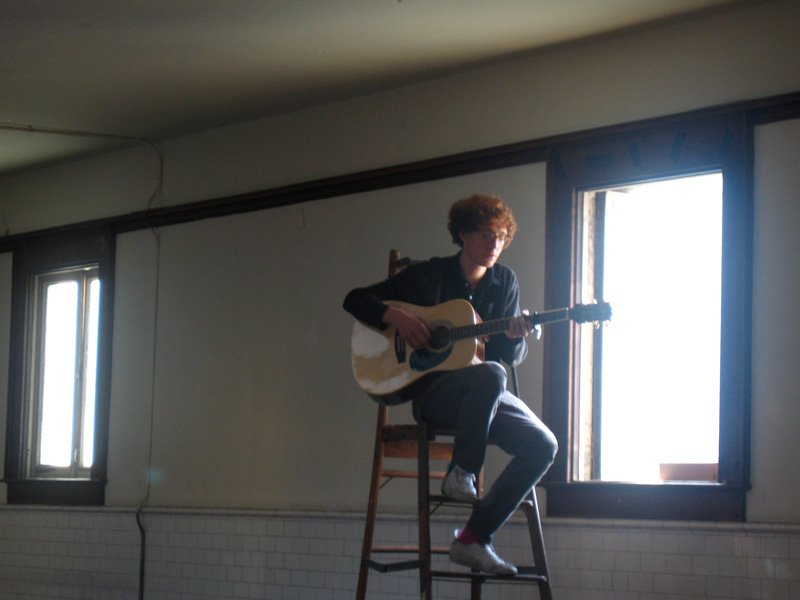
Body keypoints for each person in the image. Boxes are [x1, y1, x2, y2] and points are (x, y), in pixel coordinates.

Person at [343, 193, 558, 575]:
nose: (494, 244)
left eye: (501, 237)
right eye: (485, 234)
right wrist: (398, 317)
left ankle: (473, 539)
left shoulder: (504, 281)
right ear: (463, 234)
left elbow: (506, 356)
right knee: (491, 375)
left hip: (485, 393)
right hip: (435, 395)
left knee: (543, 444)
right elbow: (355, 299)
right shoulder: (430, 275)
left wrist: (515, 335)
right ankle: (462, 472)